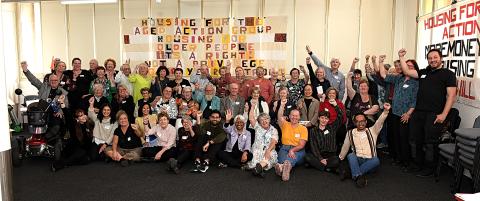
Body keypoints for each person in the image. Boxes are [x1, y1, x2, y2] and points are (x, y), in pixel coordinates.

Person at [397, 48, 456, 177]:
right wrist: (401, 57)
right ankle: (417, 164)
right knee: (415, 140)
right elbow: (406, 71)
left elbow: (451, 96)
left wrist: (444, 115)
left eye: (435, 57)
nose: (432, 60)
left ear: (440, 58)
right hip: (418, 112)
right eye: (430, 58)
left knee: (430, 142)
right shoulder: (423, 72)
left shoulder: (448, 74)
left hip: (434, 114)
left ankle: (430, 168)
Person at [21, 61, 68, 161]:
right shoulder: (43, 87)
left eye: (56, 80)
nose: (54, 82)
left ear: (58, 81)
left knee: (56, 126)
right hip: (42, 113)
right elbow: (34, 81)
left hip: (55, 113)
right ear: (49, 81)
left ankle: (45, 139)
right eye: (52, 80)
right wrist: (26, 70)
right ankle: (35, 140)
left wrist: (61, 112)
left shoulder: (63, 92)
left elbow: (66, 105)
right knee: (34, 121)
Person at [379, 55, 419, 169]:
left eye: (411, 67)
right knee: (395, 137)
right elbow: (383, 75)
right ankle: (397, 159)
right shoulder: (399, 78)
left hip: (405, 114)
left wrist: (408, 113)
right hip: (394, 112)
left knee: (404, 138)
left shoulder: (416, 82)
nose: (408, 68)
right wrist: (381, 62)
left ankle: (405, 162)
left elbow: (415, 99)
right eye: (407, 66)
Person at [338, 103, 391, 188]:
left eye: (362, 121)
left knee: (376, 160)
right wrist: (340, 158)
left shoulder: (373, 130)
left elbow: (380, 121)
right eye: (358, 121)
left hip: (370, 162)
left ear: (366, 122)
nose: (360, 123)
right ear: (355, 123)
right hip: (358, 161)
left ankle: (352, 173)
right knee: (351, 155)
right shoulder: (350, 133)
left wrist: (385, 111)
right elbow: (345, 146)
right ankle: (357, 177)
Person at [275, 107, 308, 182]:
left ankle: (282, 167)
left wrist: (292, 150)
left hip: (298, 149)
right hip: (284, 148)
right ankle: (285, 167)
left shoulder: (303, 129)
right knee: (283, 159)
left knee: (288, 159)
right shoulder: (285, 125)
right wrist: (282, 105)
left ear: (299, 117)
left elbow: (302, 145)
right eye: (292, 115)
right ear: (289, 116)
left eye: (296, 116)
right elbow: (279, 116)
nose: (294, 117)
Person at [305, 106, 343, 171]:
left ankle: (319, 166)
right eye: (322, 118)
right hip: (319, 154)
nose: (324, 120)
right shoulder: (313, 130)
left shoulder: (332, 127)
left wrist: (336, 106)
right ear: (318, 118)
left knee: (337, 159)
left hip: (331, 155)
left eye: (326, 118)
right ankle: (327, 168)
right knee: (307, 157)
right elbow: (313, 146)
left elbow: (340, 117)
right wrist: (321, 159)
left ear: (328, 120)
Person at [247, 112, 279, 178]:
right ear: (259, 122)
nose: (264, 121)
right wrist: (252, 106)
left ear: (269, 120)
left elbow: (273, 141)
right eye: (262, 120)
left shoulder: (274, 130)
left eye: (266, 119)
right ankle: (259, 169)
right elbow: (251, 118)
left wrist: (268, 150)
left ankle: (258, 168)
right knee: (256, 156)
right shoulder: (257, 127)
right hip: (257, 149)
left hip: (269, 148)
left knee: (271, 155)